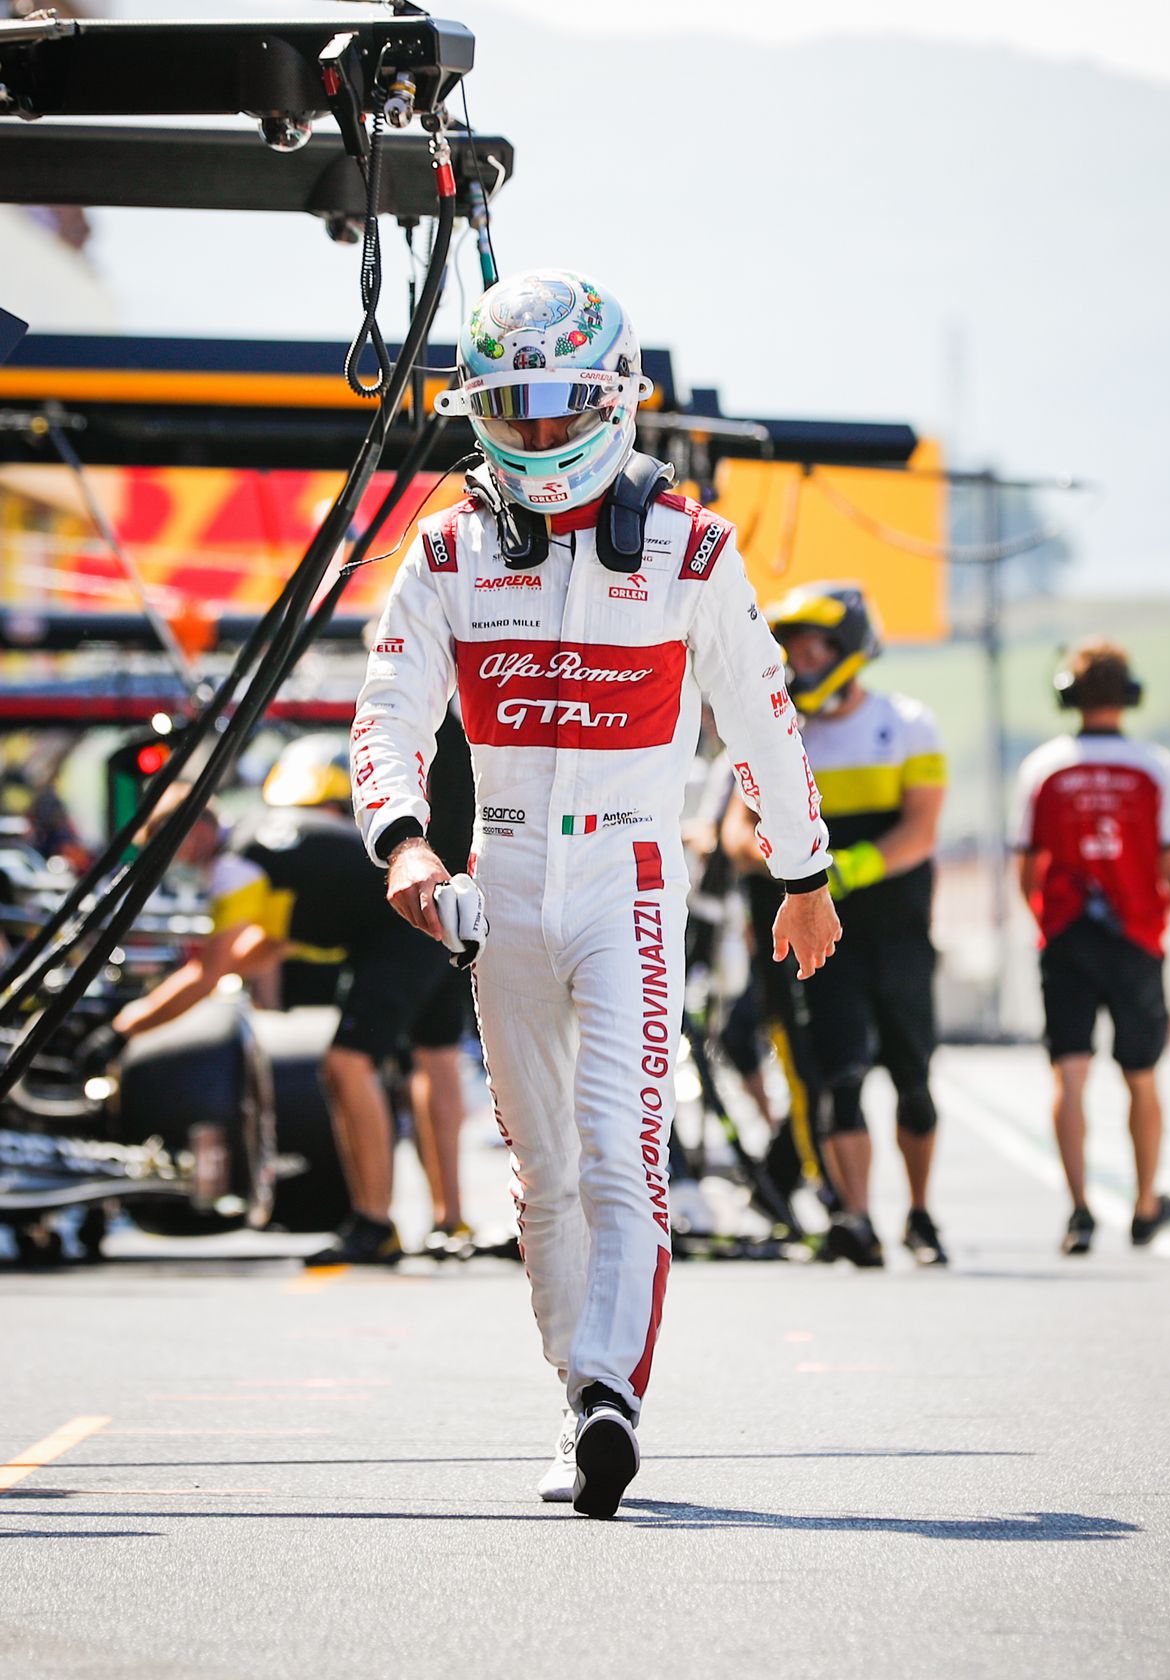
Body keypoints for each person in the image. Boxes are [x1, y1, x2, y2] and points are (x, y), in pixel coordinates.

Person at [351, 267, 839, 1519]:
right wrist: (403, 843)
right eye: (511, 408)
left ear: (615, 398)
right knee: (542, 1171)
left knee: (624, 1150)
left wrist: (804, 870)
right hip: (501, 876)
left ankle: (611, 1394)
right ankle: (580, 1393)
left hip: (631, 871)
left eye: (563, 403)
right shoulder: (447, 547)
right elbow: (389, 713)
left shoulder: (693, 545)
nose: (539, 430)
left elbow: (763, 718)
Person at [108, 735, 474, 1264]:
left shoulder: (236, 865)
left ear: (196, 831)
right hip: (423, 920)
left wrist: (125, 1028)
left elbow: (206, 974)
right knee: (434, 1060)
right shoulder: (262, 835)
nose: (172, 862)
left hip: (398, 934)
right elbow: (265, 946)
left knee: (346, 1065)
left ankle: (374, 1223)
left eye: (170, 847)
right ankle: (450, 1223)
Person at [721, 581, 949, 1269]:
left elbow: (921, 831)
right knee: (839, 1078)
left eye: (816, 647)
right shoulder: (778, 731)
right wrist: (789, 870)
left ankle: (920, 1216)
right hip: (821, 943)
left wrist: (840, 870)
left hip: (898, 934)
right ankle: (858, 1218)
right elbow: (737, 831)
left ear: (849, 648)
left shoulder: (908, 724)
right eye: (791, 647)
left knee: (913, 1083)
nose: (801, 660)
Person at [1008, 637, 1170, 1256]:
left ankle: (1078, 1211)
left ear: (1067, 695)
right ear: (1130, 696)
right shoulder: (1156, 768)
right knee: (1142, 1078)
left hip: (1068, 938)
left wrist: (1050, 922)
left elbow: (1027, 871)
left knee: (1069, 1076)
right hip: (1137, 941)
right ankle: (1145, 1204)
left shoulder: (1043, 769)